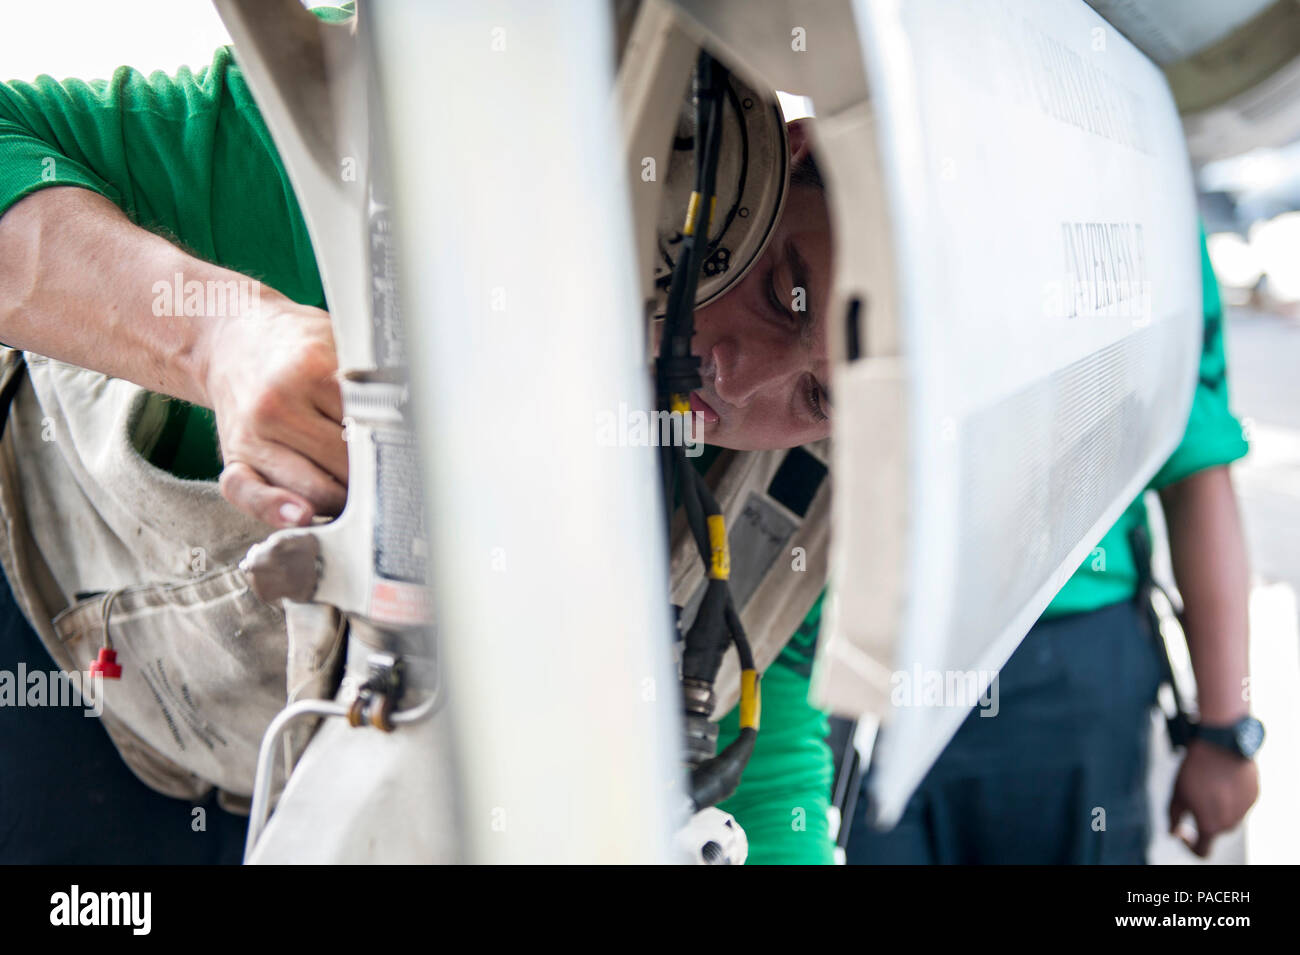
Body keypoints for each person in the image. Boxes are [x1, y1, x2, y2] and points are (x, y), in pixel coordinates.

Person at [0, 7, 837, 862]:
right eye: (782, 291)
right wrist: (217, 336)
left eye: (817, 394)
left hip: (299, 787)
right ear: (792, 160)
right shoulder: (385, 137)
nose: (740, 374)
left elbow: (757, 730)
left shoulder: (796, 494)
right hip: (47, 665)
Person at [847, 230, 1260, 864]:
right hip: (858, 655)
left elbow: (1194, 467)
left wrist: (1227, 727)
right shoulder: (887, 157)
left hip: (1062, 661)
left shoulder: (1133, 192)